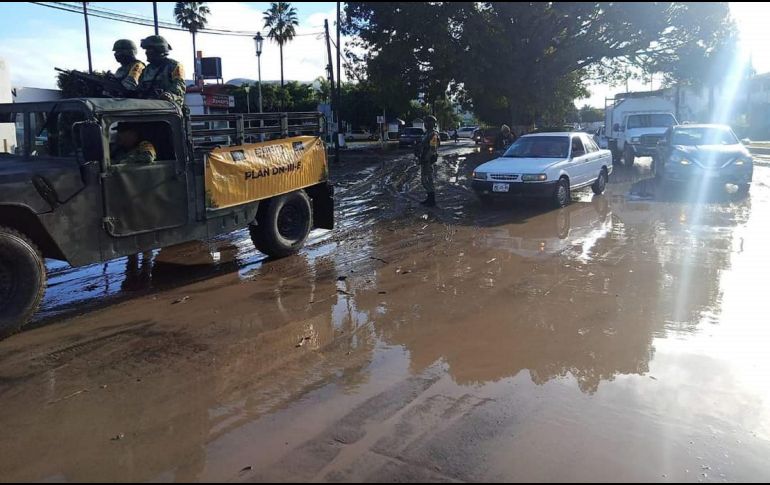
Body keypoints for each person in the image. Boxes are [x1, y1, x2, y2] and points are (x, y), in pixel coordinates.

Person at [137, 35, 186, 108]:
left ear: (159, 49)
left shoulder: (174, 66)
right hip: (146, 107)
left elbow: (179, 86)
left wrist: (169, 95)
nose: (146, 52)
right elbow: (139, 89)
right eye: (146, 49)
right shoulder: (146, 70)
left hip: (168, 108)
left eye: (150, 49)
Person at [416, 115, 440, 207]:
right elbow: (422, 145)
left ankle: (431, 200)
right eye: (425, 122)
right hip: (424, 159)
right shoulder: (426, 134)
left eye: (427, 122)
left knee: (428, 179)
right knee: (424, 180)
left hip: (428, 160)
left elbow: (433, 148)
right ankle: (429, 198)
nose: (425, 124)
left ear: (431, 123)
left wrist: (426, 158)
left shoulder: (433, 134)